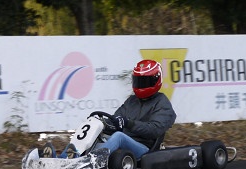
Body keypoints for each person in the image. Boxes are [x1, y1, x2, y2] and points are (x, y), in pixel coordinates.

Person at [42, 60, 176, 160]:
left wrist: (129, 123)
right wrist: (102, 123)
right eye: (139, 81)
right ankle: (60, 160)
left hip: (145, 149)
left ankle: (86, 161)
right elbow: (116, 120)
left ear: (155, 80)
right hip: (124, 144)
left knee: (118, 137)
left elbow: (154, 130)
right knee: (96, 135)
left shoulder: (162, 103)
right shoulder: (132, 101)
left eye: (145, 81)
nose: (141, 85)